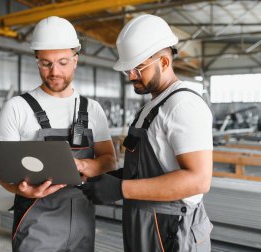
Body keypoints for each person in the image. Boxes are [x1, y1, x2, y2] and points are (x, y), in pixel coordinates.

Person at [82, 14, 213, 252]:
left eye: (137, 68)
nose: (131, 75)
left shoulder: (183, 105)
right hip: (145, 224)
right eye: (128, 69)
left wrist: (121, 189)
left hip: (171, 230)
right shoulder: (152, 106)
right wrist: (115, 178)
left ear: (163, 62)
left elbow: (199, 180)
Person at [0, 16, 116, 252]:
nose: (54, 72)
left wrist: (79, 165)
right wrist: (18, 189)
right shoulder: (17, 108)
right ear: (36, 60)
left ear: (76, 60)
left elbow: (109, 162)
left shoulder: (92, 109)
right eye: (45, 63)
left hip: (82, 218)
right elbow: (1, 171)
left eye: (62, 62)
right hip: (35, 220)